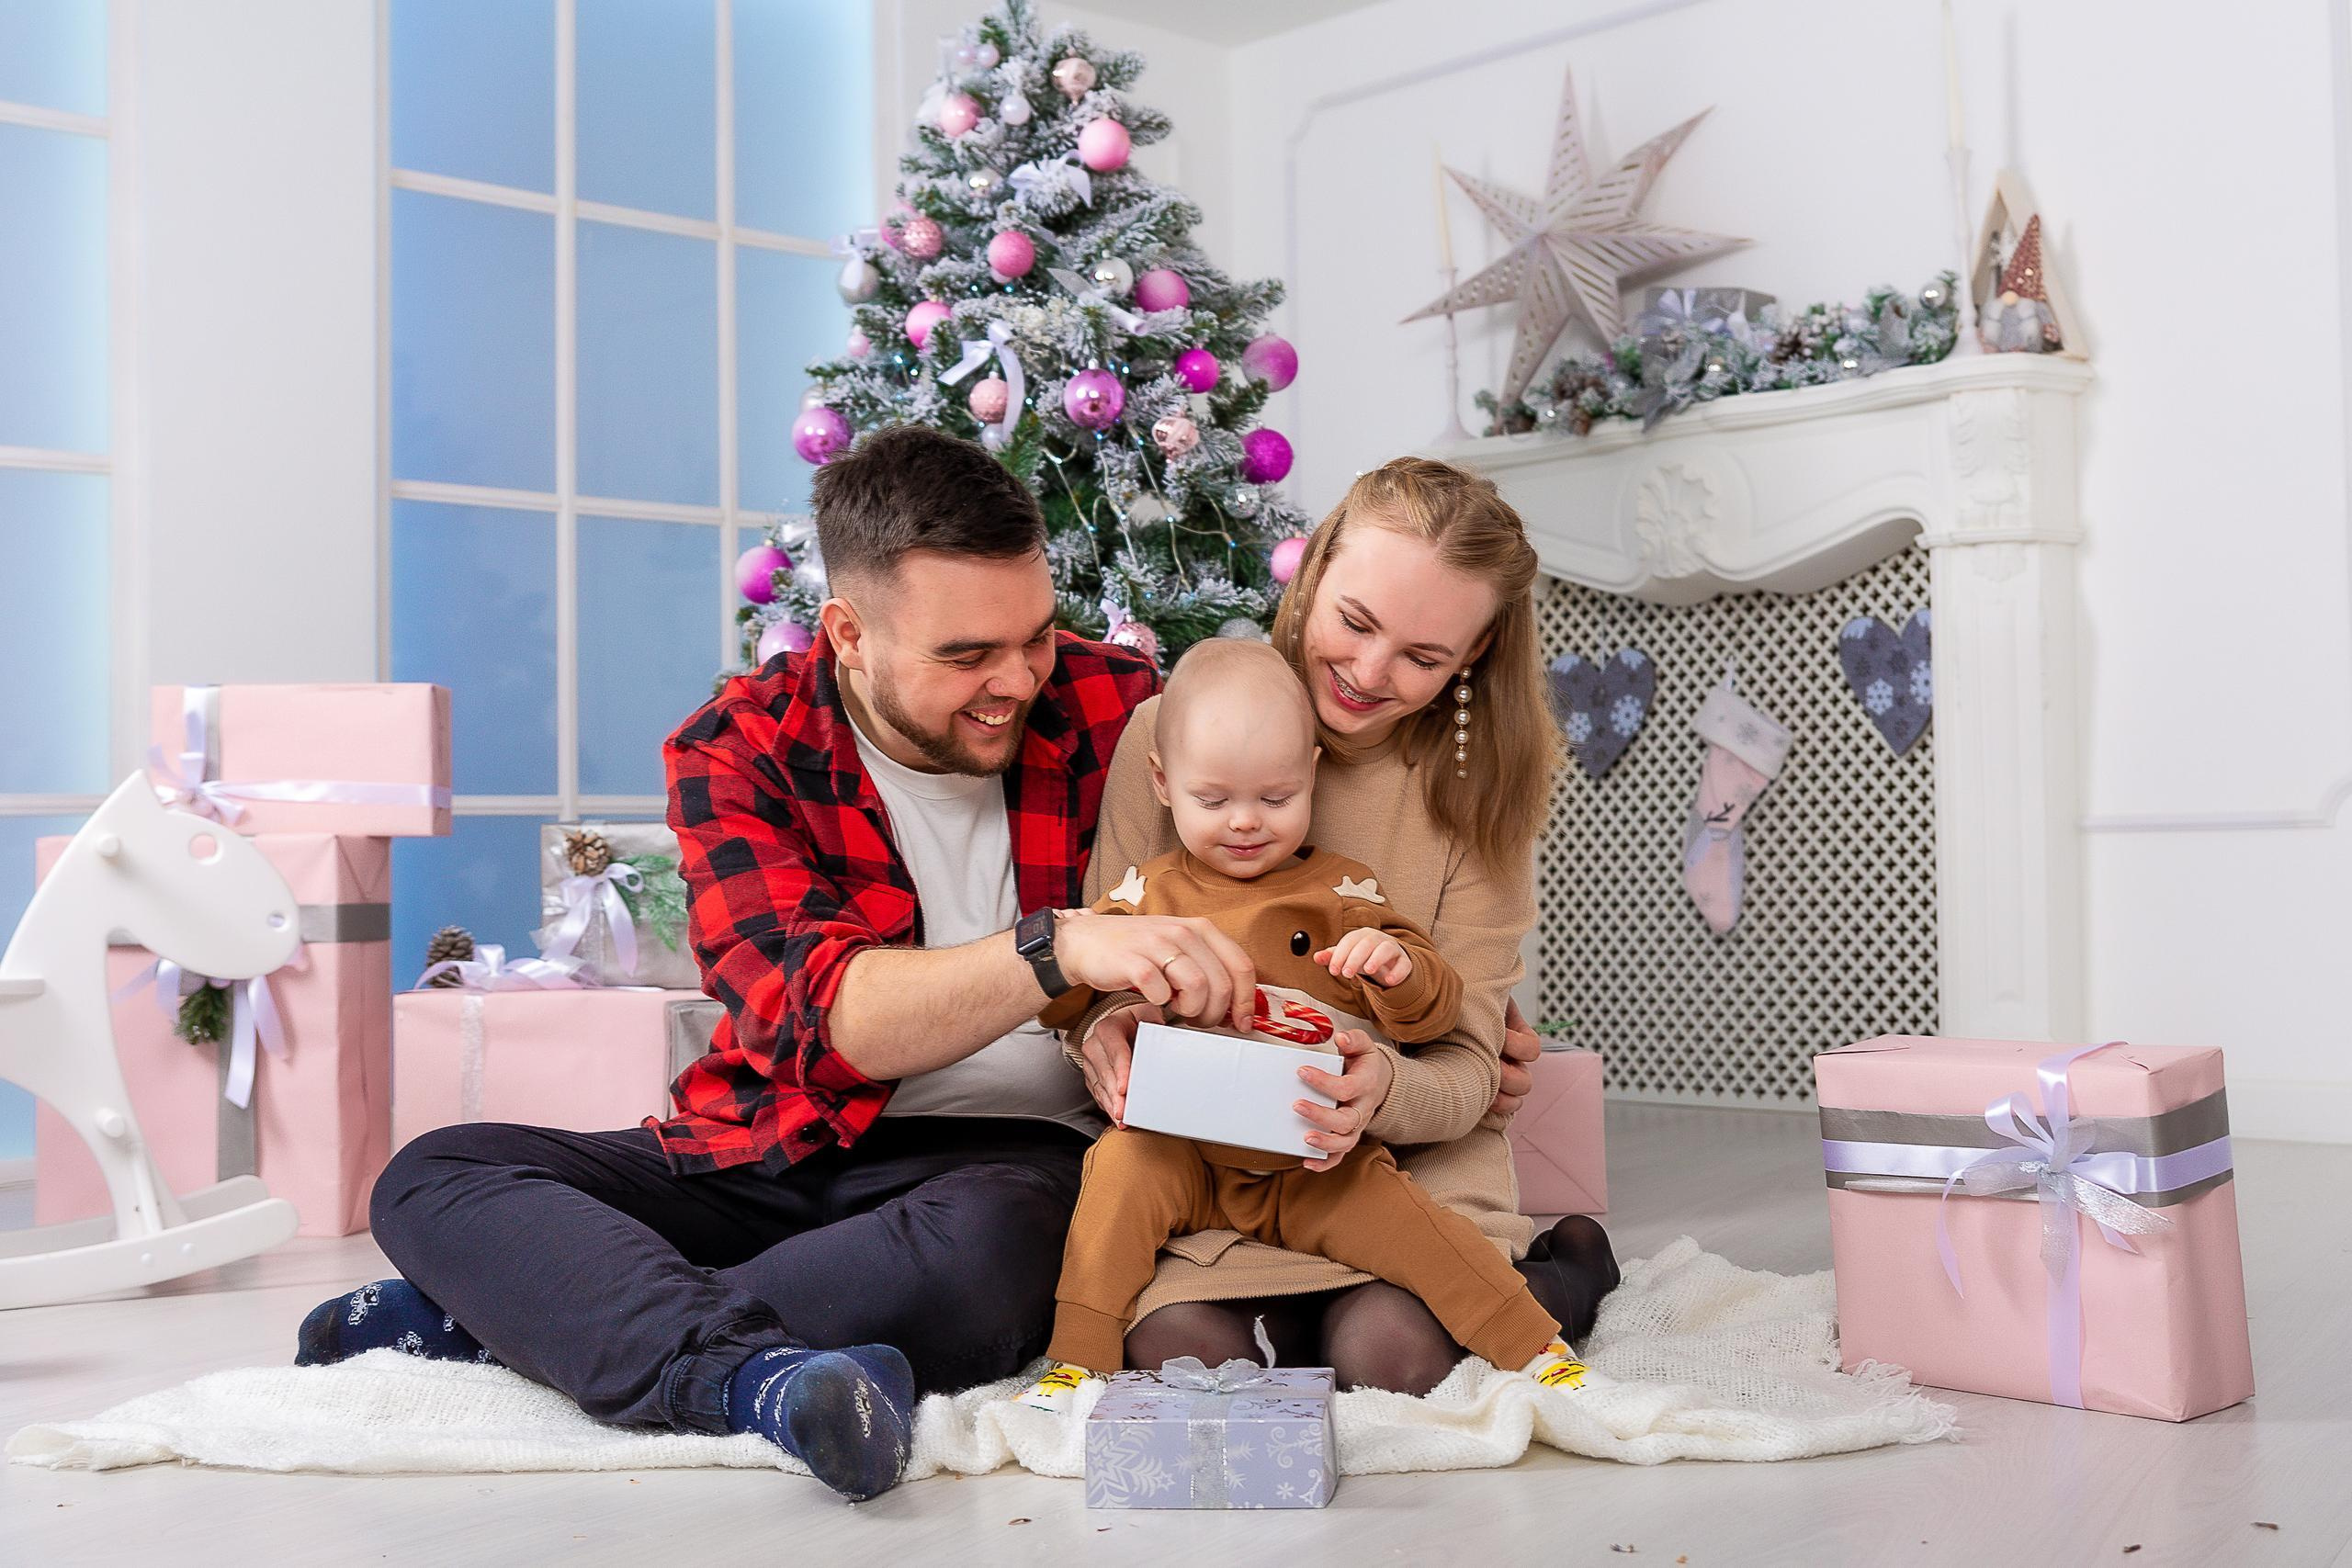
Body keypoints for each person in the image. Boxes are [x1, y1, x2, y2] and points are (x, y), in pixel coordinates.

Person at [294, 425, 1261, 1503]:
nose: (1019, 679)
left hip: (1010, 1167)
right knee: (439, 1171)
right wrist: (1056, 945)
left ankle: (516, 1329)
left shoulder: (1120, 709)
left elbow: (1280, 856)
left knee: (1003, 1245)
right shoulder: (741, 744)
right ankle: (751, 1377)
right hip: (780, 1140)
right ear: (848, 633)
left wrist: (1426, 996)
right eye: (966, 656)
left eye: (1034, 636)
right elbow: (826, 1021)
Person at [1064, 457, 1621, 1394]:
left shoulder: (1474, 795)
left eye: (1424, 657)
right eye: (1355, 623)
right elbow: (1094, 972)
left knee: (1387, 1359)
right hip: (1211, 1166)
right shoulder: (1169, 736)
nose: (1368, 674)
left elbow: (1470, 1076)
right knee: (1184, 1359)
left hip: (1402, 1166)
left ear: (1473, 657)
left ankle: (1564, 1270)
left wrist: (1379, 1088)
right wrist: (1102, 1036)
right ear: (1312, 570)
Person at [1014, 637, 1587, 1411]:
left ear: (1312, 776)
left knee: (1413, 1225)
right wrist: (1112, 1012)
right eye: (1213, 801)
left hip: (1313, 1149)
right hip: (1186, 1151)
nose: (1246, 823)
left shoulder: (1339, 888)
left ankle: (1533, 1340)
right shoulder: (1143, 891)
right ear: (1162, 782)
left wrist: (1396, 968)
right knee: (1115, 1174)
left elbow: (1442, 1011)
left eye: (1276, 798)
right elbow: (1074, 995)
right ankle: (1074, 1358)